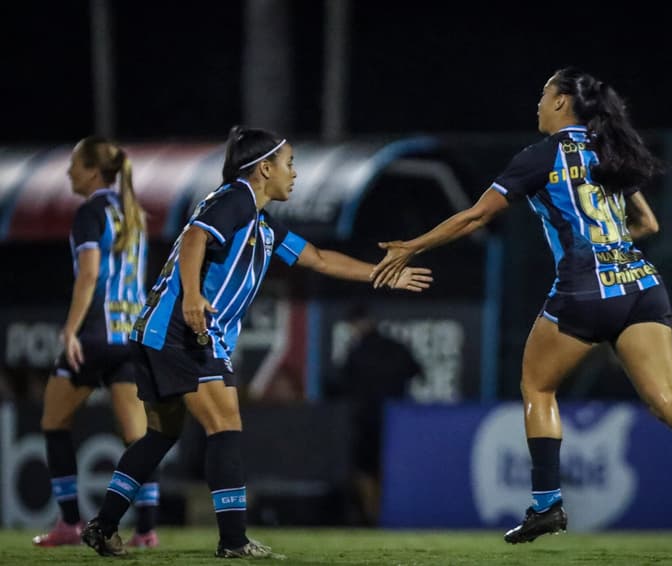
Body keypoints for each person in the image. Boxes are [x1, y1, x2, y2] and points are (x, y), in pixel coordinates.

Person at [371, 67, 672, 555]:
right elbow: (648, 224)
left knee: (537, 386)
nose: (537, 104)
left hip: (585, 290)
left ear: (562, 102)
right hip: (641, 285)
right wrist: (607, 241)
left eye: (543, 95)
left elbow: (476, 215)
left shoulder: (541, 156)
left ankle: (547, 504)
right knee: (671, 398)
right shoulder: (609, 149)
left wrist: (411, 247)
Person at [81, 126, 433, 558]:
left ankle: (102, 526)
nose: (294, 173)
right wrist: (192, 297)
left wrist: (384, 273)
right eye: (289, 164)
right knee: (225, 427)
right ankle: (233, 541)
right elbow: (194, 238)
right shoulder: (236, 199)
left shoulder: (262, 225)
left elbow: (320, 259)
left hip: (157, 331)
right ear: (264, 169)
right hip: (183, 332)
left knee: (161, 435)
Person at [33, 136, 161, 549]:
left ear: (91, 171)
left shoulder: (90, 212)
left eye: (74, 163)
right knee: (138, 437)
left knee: (54, 422)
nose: (68, 171)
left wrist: (70, 330)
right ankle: (146, 530)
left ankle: (69, 522)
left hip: (96, 335)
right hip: (132, 335)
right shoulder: (133, 212)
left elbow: (89, 275)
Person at [331, 304, 422, 525]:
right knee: (387, 467)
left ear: (357, 324)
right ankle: (385, 513)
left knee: (364, 469)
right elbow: (417, 371)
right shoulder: (396, 347)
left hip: (366, 419)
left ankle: (373, 514)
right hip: (396, 420)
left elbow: (341, 384)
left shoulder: (357, 352)